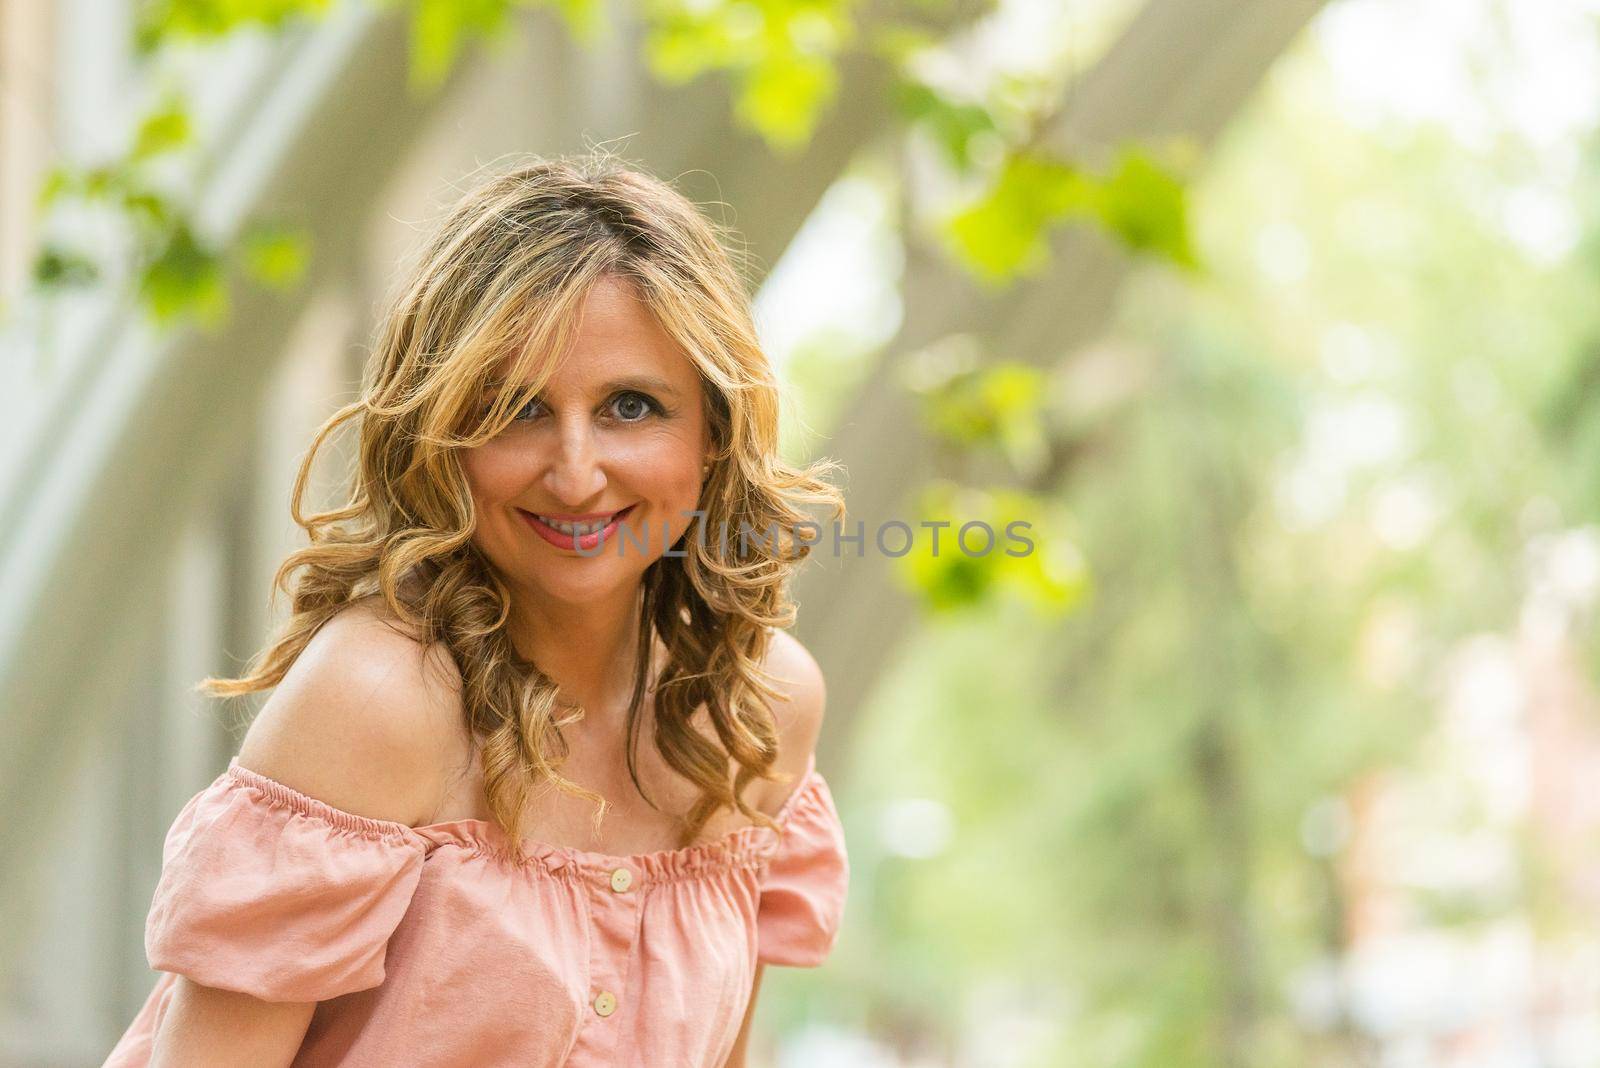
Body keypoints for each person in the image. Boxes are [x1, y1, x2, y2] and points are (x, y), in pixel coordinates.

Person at [101, 151, 850, 1068]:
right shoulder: (377, 699)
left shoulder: (755, 710)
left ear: (714, 433)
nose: (575, 474)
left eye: (629, 405)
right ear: (439, 437)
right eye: (516, 408)